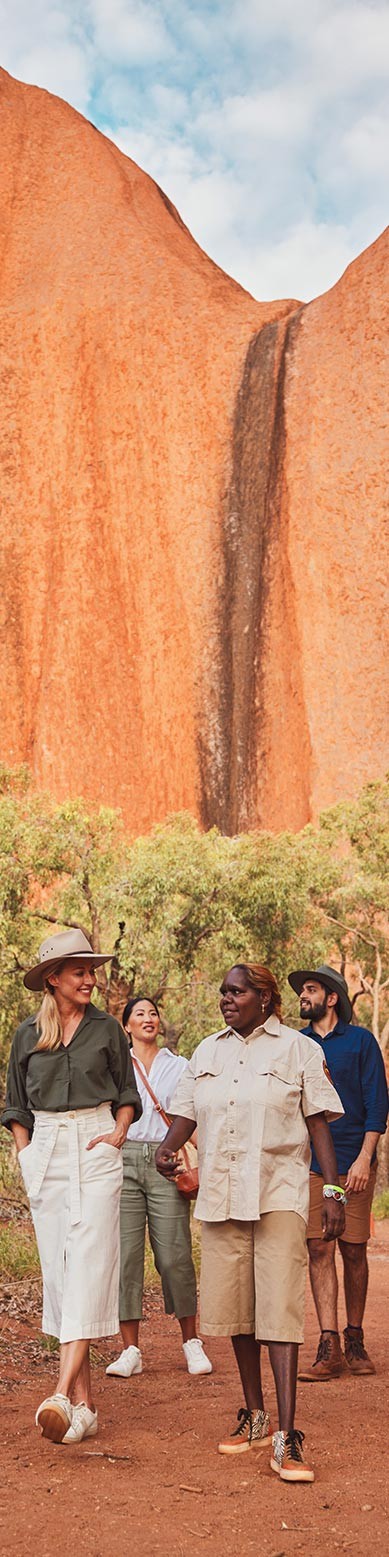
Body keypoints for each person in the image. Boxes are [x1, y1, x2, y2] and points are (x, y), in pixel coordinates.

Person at [156, 962, 345, 1484]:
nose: (226, 999)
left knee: (279, 1306)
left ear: (265, 999)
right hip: (221, 1191)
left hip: (279, 1189)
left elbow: (317, 1123)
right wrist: (168, 1150)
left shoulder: (299, 1049)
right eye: (222, 992)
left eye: (236, 992)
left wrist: (331, 1190)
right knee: (238, 1307)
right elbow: (186, 1115)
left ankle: (287, 1434)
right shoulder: (206, 1051)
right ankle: (254, 1414)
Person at [1, 928, 141, 1444]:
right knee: (60, 1274)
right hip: (46, 1149)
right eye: (79, 972)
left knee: (89, 1263)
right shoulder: (25, 1035)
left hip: (96, 1141)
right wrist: (26, 1152)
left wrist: (119, 1131)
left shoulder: (107, 1029)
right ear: (53, 978)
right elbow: (16, 1103)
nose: (90, 979)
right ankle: (84, 1406)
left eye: (91, 971)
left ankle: (59, 1392)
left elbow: (127, 1091)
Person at [288, 964, 388, 1381]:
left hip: (354, 1161)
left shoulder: (361, 1041)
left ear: (332, 998)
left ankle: (355, 1337)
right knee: (319, 1247)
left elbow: (377, 1101)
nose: (302, 997)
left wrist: (365, 1157)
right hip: (310, 1162)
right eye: (301, 991)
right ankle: (328, 1345)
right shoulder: (294, 1044)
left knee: (352, 1249)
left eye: (310, 990)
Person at [106, 995, 212, 1379]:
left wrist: (209, 1159)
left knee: (174, 1255)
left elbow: (190, 1117)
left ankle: (191, 1342)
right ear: (127, 1026)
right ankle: (130, 1350)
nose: (148, 1018)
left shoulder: (179, 1065)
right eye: (140, 1014)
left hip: (167, 1161)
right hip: (124, 1160)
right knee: (127, 1257)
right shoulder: (116, 1065)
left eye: (153, 1013)